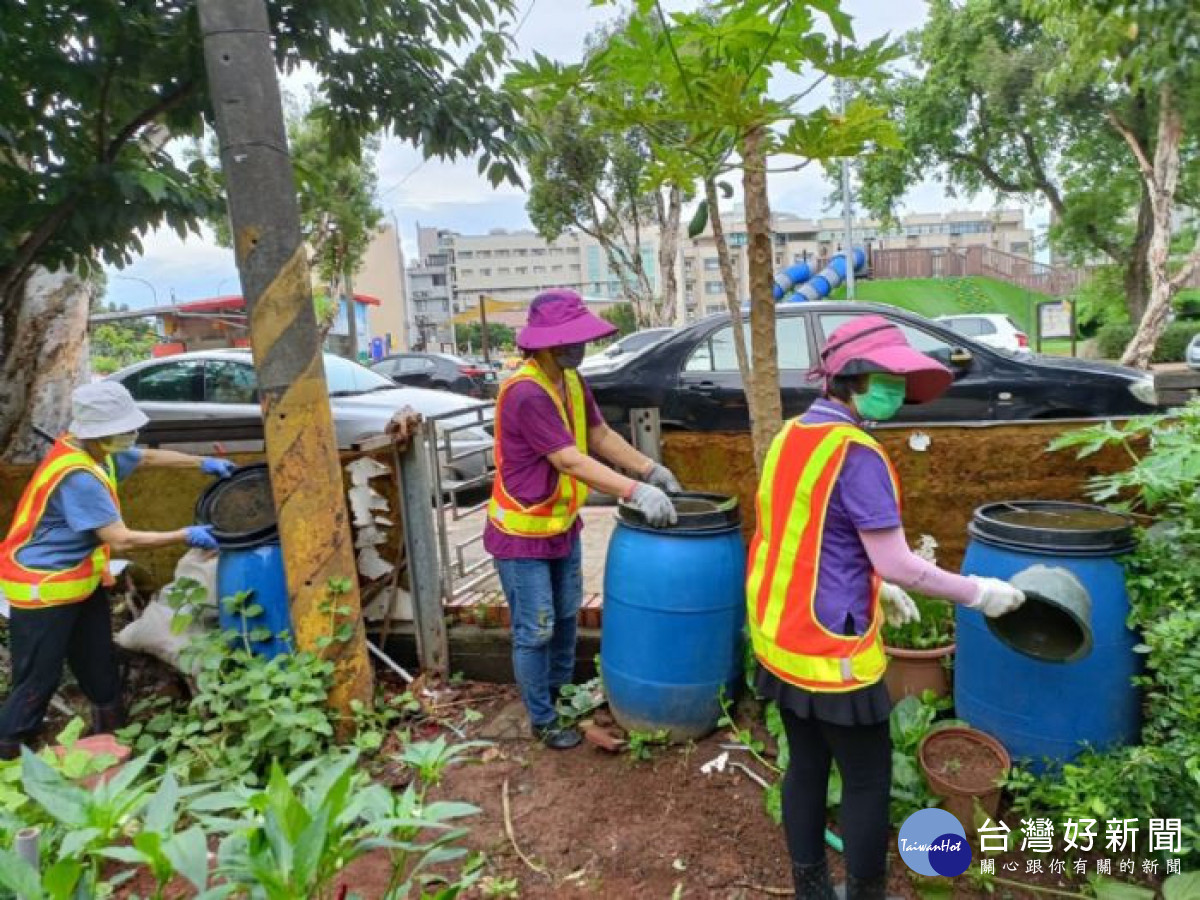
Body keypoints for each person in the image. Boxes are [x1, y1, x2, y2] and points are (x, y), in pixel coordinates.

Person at [746, 316, 1025, 900]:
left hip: (782, 639)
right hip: (833, 654)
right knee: (868, 780)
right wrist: (980, 593)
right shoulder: (857, 453)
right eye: (887, 376)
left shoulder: (792, 435)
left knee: (805, 766)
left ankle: (812, 890)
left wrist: (877, 585)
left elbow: (808, 538)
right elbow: (898, 560)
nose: (897, 389)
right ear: (851, 378)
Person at [486, 290, 681, 750]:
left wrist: (647, 466)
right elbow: (570, 460)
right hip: (522, 533)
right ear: (547, 344)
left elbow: (598, 434)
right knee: (536, 629)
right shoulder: (527, 392)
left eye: (581, 340)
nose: (581, 349)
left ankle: (560, 698)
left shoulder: (570, 381)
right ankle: (542, 717)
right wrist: (636, 490)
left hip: (560, 527)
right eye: (571, 341)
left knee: (567, 618)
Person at [0, 382, 230, 759]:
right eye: (119, 431)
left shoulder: (97, 453)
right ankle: (8, 754)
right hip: (43, 588)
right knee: (38, 679)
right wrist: (184, 534)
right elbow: (119, 539)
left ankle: (112, 741)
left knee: (97, 662)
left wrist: (201, 463)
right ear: (97, 433)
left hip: (79, 581)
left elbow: (145, 459)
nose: (127, 437)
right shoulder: (78, 476)